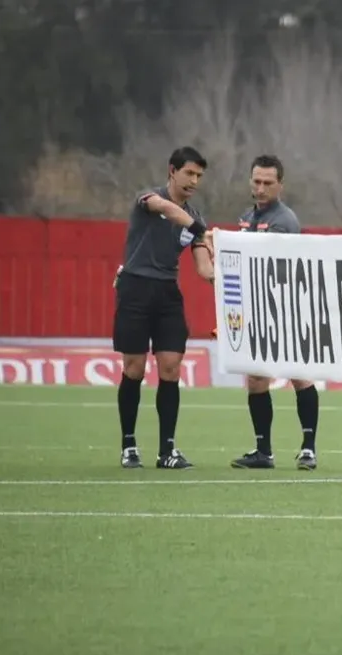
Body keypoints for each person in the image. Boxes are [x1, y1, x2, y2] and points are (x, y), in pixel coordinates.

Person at [114, 146, 215, 470]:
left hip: (167, 293)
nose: (194, 181)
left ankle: (167, 450)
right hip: (135, 288)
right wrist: (198, 229)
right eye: (189, 173)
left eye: (199, 176)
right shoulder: (149, 199)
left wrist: (225, 277)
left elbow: (204, 268)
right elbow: (166, 209)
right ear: (172, 171)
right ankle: (129, 445)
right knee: (134, 369)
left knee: (171, 368)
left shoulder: (197, 220)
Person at [229, 155, 320, 472]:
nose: (261, 188)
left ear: (280, 185)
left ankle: (308, 448)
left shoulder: (285, 220)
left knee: (298, 375)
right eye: (256, 181)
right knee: (256, 379)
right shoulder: (245, 217)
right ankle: (263, 451)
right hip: (255, 309)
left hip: (285, 308)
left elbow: (266, 262)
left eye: (268, 182)